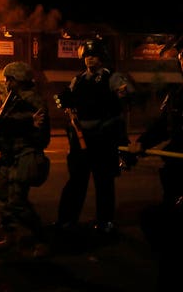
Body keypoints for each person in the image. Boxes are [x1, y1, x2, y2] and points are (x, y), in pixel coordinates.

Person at [54, 38, 134, 239]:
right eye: (87, 56)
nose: (90, 59)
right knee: (76, 181)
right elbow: (67, 101)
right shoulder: (78, 79)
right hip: (81, 138)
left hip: (103, 138)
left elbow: (126, 100)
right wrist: (64, 102)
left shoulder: (112, 78)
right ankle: (67, 219)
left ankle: (105, 221)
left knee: (104, 182)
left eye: (94, 55)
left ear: (102, 58)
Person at [127, 35, 183, 291]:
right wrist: (142, 143)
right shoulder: (179, 94)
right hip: (177, 176)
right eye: (182, 55)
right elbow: (164, 125)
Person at [0, 61, 51, 258]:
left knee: (17, 201)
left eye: (9, 79)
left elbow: (34, 130)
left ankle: (41, 238)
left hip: (22, 154)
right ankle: (10, 236)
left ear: (18, 80)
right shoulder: (12, 98)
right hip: (8, 155)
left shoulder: (32, 101)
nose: (6, 83)